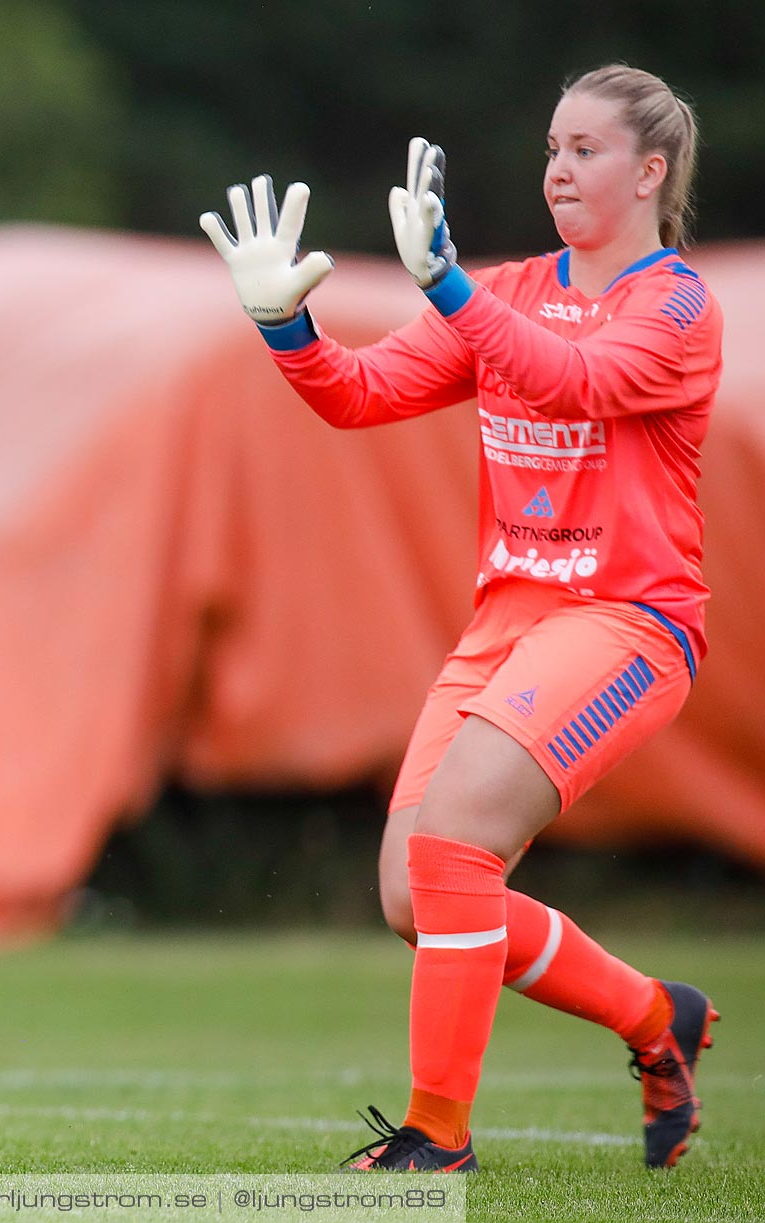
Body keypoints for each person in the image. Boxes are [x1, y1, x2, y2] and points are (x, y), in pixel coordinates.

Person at [201, 65, 721, 1172]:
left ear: (651, 170)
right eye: (551, 148)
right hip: (509, 620)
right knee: (417, 894)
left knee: (448, 849)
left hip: (627, 622)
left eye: (585, 149)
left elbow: (577, 381)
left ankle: (437, 1136)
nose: (559, 169)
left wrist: (448, 289)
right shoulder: (511, 289)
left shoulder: (677, 305)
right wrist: (281, 322)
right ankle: (651, 1016)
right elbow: (356, 395)